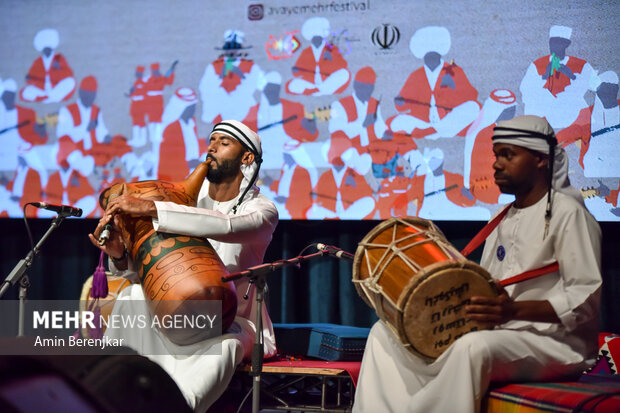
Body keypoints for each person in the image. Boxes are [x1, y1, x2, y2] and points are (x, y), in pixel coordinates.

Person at [353, 115, 602, 413]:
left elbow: (584, 297)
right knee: (384, 334)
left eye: (508, 155)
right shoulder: (502, 217)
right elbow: (487, 284)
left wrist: (513, 310)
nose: (496, 164)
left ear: (540, 159)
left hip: (555, 344)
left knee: (472, 348)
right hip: (499, 333)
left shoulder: (569, 214)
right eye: (496, 155)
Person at [89, 120, 278, 412]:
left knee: (226, 343)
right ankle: (108, 396)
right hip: (176, 310)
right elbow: (154, 273)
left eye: (224, 143)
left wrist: (152, 208)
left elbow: (226, 226)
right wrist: (119, 256)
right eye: (211, 140)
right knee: (132, 297)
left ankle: (177, 406)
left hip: (232, 319)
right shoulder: (181, 203)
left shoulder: (261, 209)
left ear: (247, 157)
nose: (212, 147)